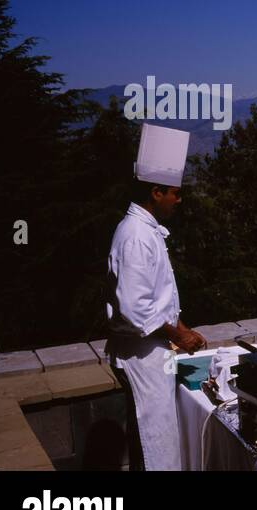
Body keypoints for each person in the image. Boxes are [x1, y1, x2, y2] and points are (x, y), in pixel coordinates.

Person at [105, 124, 205, 471]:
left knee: (163, 438)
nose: (179, 199)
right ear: (156, 192)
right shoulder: (134, 236)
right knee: (155, 443)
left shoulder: (147, 231)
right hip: (142, 357)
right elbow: (135, 309)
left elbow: (156, 296)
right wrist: (178, 334)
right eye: (174, 193)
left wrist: (181, 326)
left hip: (155, 351)